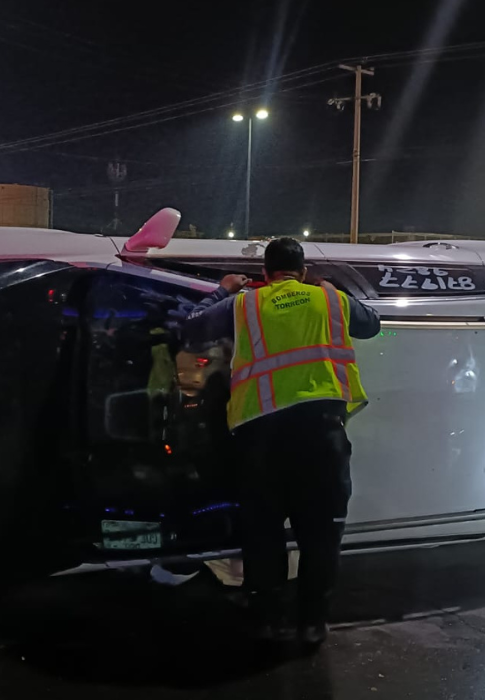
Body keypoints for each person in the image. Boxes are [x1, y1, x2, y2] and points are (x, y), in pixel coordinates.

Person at [182, 237, 380, 649]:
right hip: (321, 437)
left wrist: (225, 288)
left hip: (261, 439)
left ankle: (267, 621)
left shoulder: (245, 305)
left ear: (265, 274)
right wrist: (332, 291)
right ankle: (312, 625)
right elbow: (372, 325)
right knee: (321, 537)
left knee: (263, 534)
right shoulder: (328, 299)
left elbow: (192, 328)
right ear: (303, 270)